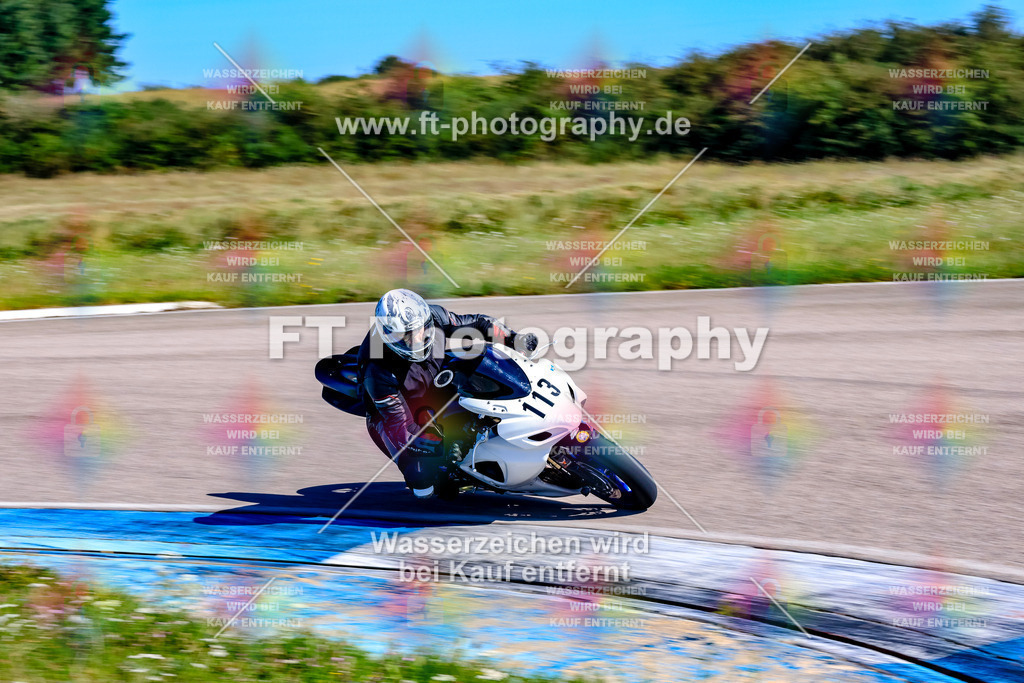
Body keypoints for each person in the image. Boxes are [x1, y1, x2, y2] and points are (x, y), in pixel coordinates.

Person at [357, 289, 537, 499]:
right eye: (403, 336)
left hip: (435, 374)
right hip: (396, 411)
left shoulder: (434, 316)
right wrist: (441, 442)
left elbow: (478, 324)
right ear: (388, 334)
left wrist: (513, 338)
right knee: (423, 482)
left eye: (417, 330)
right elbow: (400, 426)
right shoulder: (377, 370)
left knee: (485, 379)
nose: (414, 339)